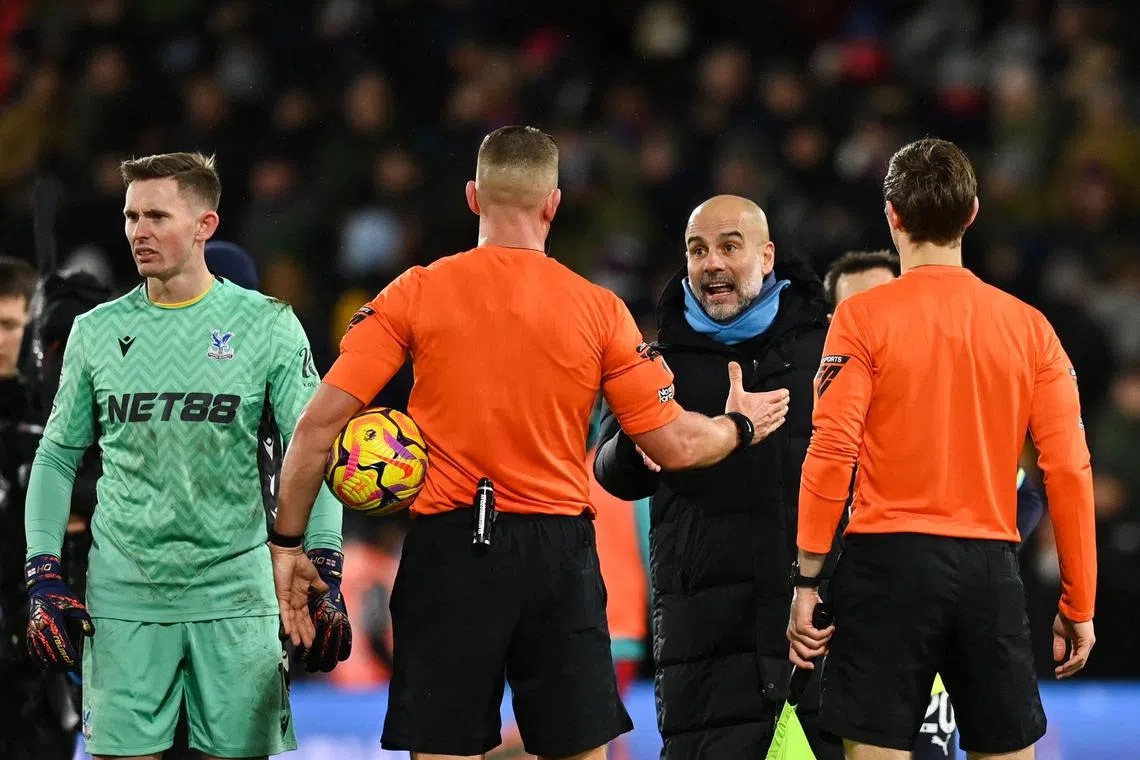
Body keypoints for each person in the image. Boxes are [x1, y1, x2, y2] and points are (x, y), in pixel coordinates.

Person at [267, 125, 792, 760]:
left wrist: (288, 545)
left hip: (449, 553)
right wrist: (738, 425)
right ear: (553, 204)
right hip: (557, 556)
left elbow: (316, 428)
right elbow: (677, 444)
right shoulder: (599, 309)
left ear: (473, 197)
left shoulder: (416, 291)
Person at [22, 151, 350, 760]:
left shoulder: (268, 326)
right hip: (123, 599)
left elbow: (314, 451)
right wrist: (42, 571)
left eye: (156, 216)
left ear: (205, 225)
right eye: (131, 216)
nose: (138, 232)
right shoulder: (96, 332)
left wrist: (325, 563)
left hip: (236, 598)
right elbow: (57, 457)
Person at [788, 139, 1097, 760]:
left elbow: (832, 449)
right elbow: (1068, 468)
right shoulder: (1029, 327)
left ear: (892, 214)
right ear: (973, 213)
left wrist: (808, 578)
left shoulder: (861, 318)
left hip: (886, 568)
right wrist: (1079, 601)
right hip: (989, 568)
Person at [592, 195, 840, 760]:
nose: (712, 264)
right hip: (702, 650)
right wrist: (636, 449)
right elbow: (610, 468)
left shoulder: (826, 353)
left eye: (730, 246)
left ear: (766, 255)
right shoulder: (654, 362)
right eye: (698, 250)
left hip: (818, 640)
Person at [822, 248, 1047, 760]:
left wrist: (975, 556)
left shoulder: (930, 410)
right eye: (852, 307)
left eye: (884, 297)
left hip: (921, 612)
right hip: (848, 628)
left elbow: (1026, 494)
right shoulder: (817, 415)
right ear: (832, 322)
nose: (871, 314)